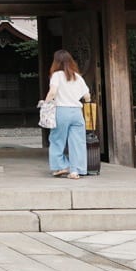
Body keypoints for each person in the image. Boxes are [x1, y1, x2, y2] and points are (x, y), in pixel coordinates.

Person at [44, 50, 90, 179]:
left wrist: (45, 104)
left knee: (57, 140)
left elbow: (52, 92)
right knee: (78, 142)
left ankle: (61, 166)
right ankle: (76, 170)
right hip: (76, 112)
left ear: (56, 62)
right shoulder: (77, 76)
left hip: (61, 111)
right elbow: (87, 96)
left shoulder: (57, 75)